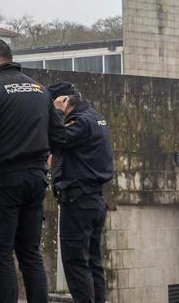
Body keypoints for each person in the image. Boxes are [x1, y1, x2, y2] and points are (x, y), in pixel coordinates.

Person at [0, 39, 66, 303]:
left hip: (1, 179)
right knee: (30, 253)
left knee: (0, 254)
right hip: (35, 179)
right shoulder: (40, 90)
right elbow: (59, 135)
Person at [48, 82, 113, 303]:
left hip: (78, 200)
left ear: (64, 101)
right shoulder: (94, 116)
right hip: (93, 200)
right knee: (93, 261)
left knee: (76, 263)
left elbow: (57, 138)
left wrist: (56, 112)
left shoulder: (80, 121)